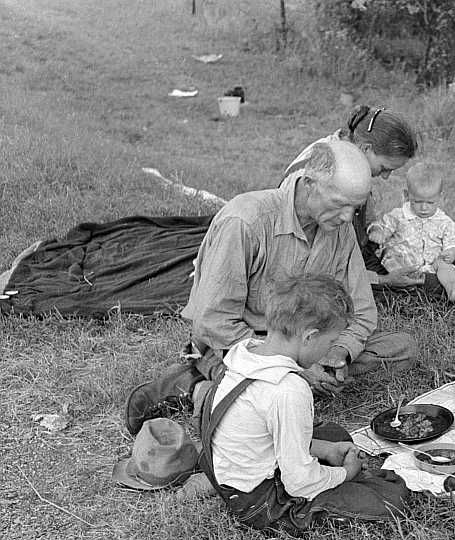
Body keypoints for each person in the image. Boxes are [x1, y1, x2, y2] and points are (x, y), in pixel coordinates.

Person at [125, 140, 416, 435]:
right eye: (340, 204)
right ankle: (195, 386)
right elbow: (212, 323)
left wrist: (338, 354)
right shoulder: (245, 221)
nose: (346, 217)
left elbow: (363, 311)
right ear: (311, 184)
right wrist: (291, 367)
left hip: (309, 344)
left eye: (355, 208)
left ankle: (248, 385)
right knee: (260, 413)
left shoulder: (340, 228)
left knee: (402, 347)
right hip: (245, 346)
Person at [198, 275, 410, 533]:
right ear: (309, 336)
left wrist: (326, 450)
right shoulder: (287, 389)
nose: (331, 350)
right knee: (390, 497)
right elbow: (300, 483)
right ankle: (310, 504)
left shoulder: (246, 353)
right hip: (258, 502)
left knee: (333, 435)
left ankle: (327, 460)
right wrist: (345, 474)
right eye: (332, 342)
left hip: (231, 476)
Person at [279, 104, 455, 316]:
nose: (385, 176)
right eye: (384, 167)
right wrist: (384, 279)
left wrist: (382, 235)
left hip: (360, 253)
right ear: (366, 148)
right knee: (426, 285)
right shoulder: (323, 177)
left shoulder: (348, 152)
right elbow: (324, 270)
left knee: (442, 264)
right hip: (340, 270)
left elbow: (360, 225)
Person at [367, 162, 455, 302]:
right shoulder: (399, 216)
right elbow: (384, 225)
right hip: (403, 262)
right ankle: (404, 286)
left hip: (431, 265)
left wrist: (451, 252)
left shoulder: (445, 222)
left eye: (430, 203)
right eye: (417, 202)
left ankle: (452, 289)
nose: (424, 208)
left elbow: (452, 241)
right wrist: (378, 231)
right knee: (392, 257)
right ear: (406, 195)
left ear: (440, 197)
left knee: (445, 266)